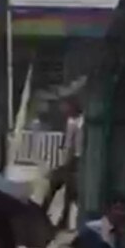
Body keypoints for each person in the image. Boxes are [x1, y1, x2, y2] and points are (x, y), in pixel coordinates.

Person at [41, 96, 84, 231]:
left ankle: (47, 216)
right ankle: (56, 218)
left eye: (65, 106)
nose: (64, 109)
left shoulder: (77, 122)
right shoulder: (76, 121)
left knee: (64, 190)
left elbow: (72, 146)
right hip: (71, 160)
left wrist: (68, 163)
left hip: (74, 161)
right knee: (65, 191)